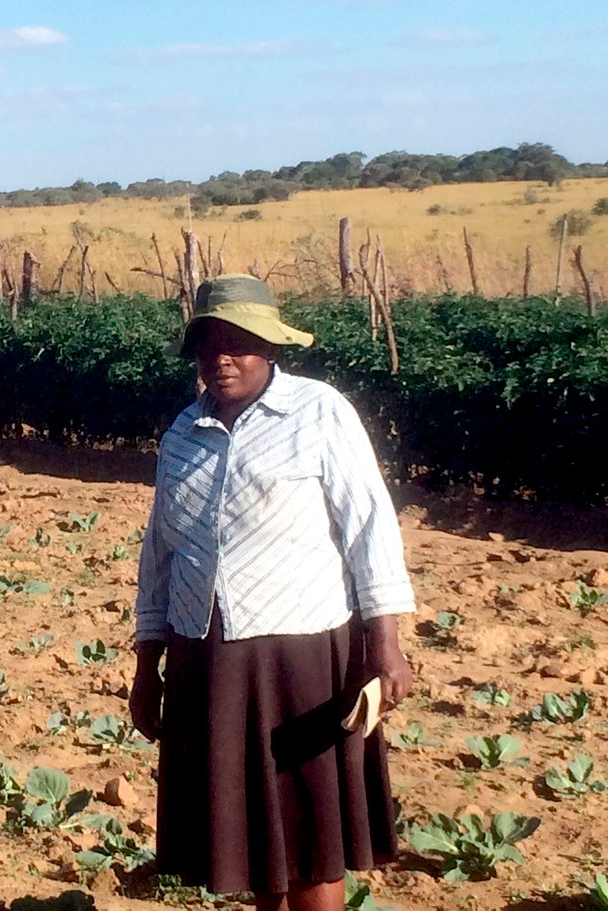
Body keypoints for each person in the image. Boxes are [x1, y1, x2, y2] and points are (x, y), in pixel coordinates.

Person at [129, 274, 415, 911]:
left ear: (271, 349)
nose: (221, 358)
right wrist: (149, 667)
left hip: (302, 655)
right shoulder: (182, 433)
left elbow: (370, 525)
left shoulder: (318, 411)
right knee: (255, 835)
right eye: (208, 345)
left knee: (311, 832)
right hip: (208, 656)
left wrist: (386, 645)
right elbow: (161, 554)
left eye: (239, 343)